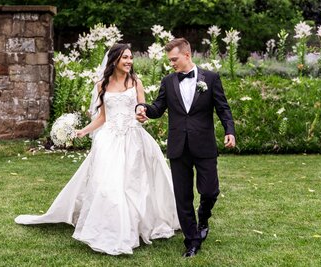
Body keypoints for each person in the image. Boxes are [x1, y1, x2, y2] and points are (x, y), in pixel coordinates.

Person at [15, 43, 179, 255]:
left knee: (135, 185)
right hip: (109, 140)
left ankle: (136, 225)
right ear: (114, 60)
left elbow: (142, 108)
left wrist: (142, 115)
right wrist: (83, 131)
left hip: (133, 139)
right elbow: (102, 117)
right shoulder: (101, 85)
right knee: (108, 185)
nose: (129, 61)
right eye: (125, 58)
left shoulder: (136, 81)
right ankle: (111, 228)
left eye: (130, 57)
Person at [136, 38, 236, 257]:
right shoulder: (168, 81)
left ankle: (204, 215)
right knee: (182, 197)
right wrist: (143, 109)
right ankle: (192, 241)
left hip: (204, 145)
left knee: (210, 191)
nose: (171, 63)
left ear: (187, 55)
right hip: (178, 147)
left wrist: (230, 130)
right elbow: (158, 108)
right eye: (169, 60)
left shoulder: (210, 78)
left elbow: (223, 107)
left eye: (174, 59)